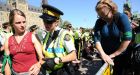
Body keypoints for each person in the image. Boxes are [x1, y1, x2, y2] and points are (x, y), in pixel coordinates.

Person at [94, 0, 132, 75]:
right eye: (99, 16)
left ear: (111, 9)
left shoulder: (121, 17)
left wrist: (113, 55)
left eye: (104, 14)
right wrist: (103, 55)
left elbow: (127, 39)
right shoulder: (99, 22)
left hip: (120, 55)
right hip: (106, 56)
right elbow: (96, 39)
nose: (102, 18)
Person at [39, 4, 77, 75]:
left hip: (63, 71)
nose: (46, 24)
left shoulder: (64, 34)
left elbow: (73, 55)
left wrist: (57, 60)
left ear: (56, 22)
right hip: (51, 71)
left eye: (49, 21)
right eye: (44, 20)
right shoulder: (47, 34)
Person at [4, 9, 44, 75]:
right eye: (18, 23)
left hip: (32, 73)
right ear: (12, 24)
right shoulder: (8, 41)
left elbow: (42, 58)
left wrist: (38, 65)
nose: (22, 25)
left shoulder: (32, 37)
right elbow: (7, 63)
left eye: (24, 22)